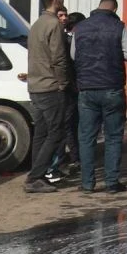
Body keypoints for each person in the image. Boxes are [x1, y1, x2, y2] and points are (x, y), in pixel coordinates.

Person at [72, 0, 127, 192]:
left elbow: (73, 56)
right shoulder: (119, 28)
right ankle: (111, 183)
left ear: (98, 7)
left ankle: (87, 183)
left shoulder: (80, 28)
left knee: (86, 137)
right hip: (112, 89)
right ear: (114, 10)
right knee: (113, 137)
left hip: (87, 90)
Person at [23, 0, 69, 193]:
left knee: (41, 133)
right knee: (56, 133)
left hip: (35, 86)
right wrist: (63, 83)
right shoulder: (54, 25)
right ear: (56, 0)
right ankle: (35, 177)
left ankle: (36, 174)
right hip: (51, 87)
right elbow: (59, 58)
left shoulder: (36, 25)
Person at [47, 11, 85, 181]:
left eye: (65, 15)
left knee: (72, 124)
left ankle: (72, 158)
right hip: (63, 88)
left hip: (72, 88)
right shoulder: (60, 39)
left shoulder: (68, 39)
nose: (63, 18)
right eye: (60, 15)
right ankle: (65, 161)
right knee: (65, 126)